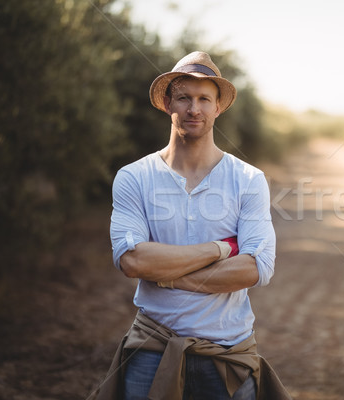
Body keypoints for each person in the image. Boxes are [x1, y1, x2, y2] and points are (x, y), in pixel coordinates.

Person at [94, 51, 290, 400]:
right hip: (152, 348)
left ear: (219, 108)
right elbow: (133, 262)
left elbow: (257, 267)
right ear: (168, 102)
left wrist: (166, 274)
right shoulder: (134, 177)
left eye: (204, 99)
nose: (193, 109)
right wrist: (221, 249)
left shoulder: (248, 179)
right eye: (184, 97)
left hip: (227, 352)